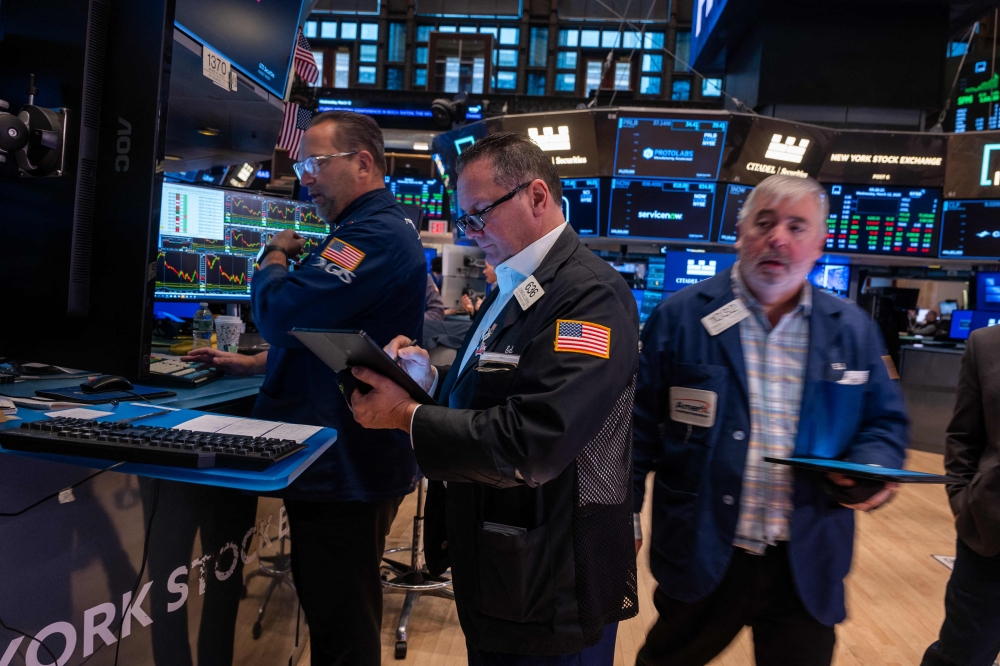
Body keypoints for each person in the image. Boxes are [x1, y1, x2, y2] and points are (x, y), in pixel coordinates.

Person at [347, 132, 640, 664]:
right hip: (504, 570)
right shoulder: (515, 283)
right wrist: (429, 383)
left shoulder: (591, 296)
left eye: (480, 213)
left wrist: (406, 415)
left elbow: (533, 440)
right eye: (465, 218)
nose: (471, 231)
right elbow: (492, 390)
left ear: (536, 196)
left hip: (553, 583)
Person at [632, 175, 908, 666]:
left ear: (820, 243)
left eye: (796, 226)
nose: (778, 237)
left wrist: (869, 466)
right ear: (741, 233)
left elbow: (884, 423)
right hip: (704, 547)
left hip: (805, 560)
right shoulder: (680, 319)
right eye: (764, 223)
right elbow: (635, 433)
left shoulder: (853, 331)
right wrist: (622, 516)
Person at [184, 110, 426, 666]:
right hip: (345, 462)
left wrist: (272, 256)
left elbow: (283, 312)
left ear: (363, 163)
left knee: (342, 631)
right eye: (302, 164)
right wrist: (256, 366)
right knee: (337, 617)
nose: (305, 176)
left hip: (349, 467)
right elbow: (331, 336)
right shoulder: (365, 231)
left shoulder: (372, 236)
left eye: (316, 162)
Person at [922, 324, 1000, 666]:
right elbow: (962, 437)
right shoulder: (987, 344)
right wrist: (963, 503)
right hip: (990, 533)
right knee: (961, 655)